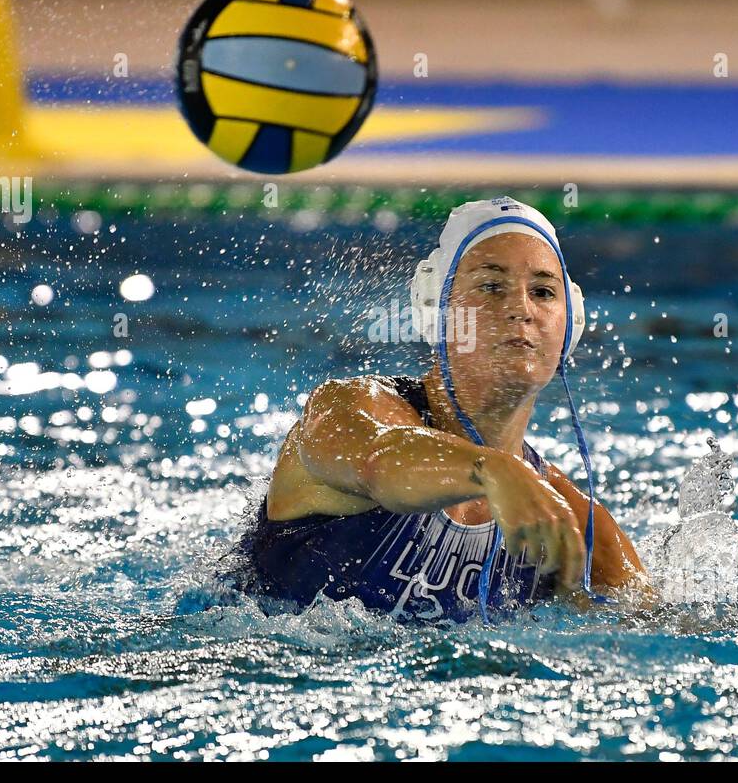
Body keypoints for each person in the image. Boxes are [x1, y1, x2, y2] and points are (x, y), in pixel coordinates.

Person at [232, 196, 652, 622]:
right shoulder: (347, 408)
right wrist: (493, 470)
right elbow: (380, 462)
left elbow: (660, 637)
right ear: (437, 308)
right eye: (490, 286)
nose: (521, 310)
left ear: (571, 324)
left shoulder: (572, 526)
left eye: (543, 292)